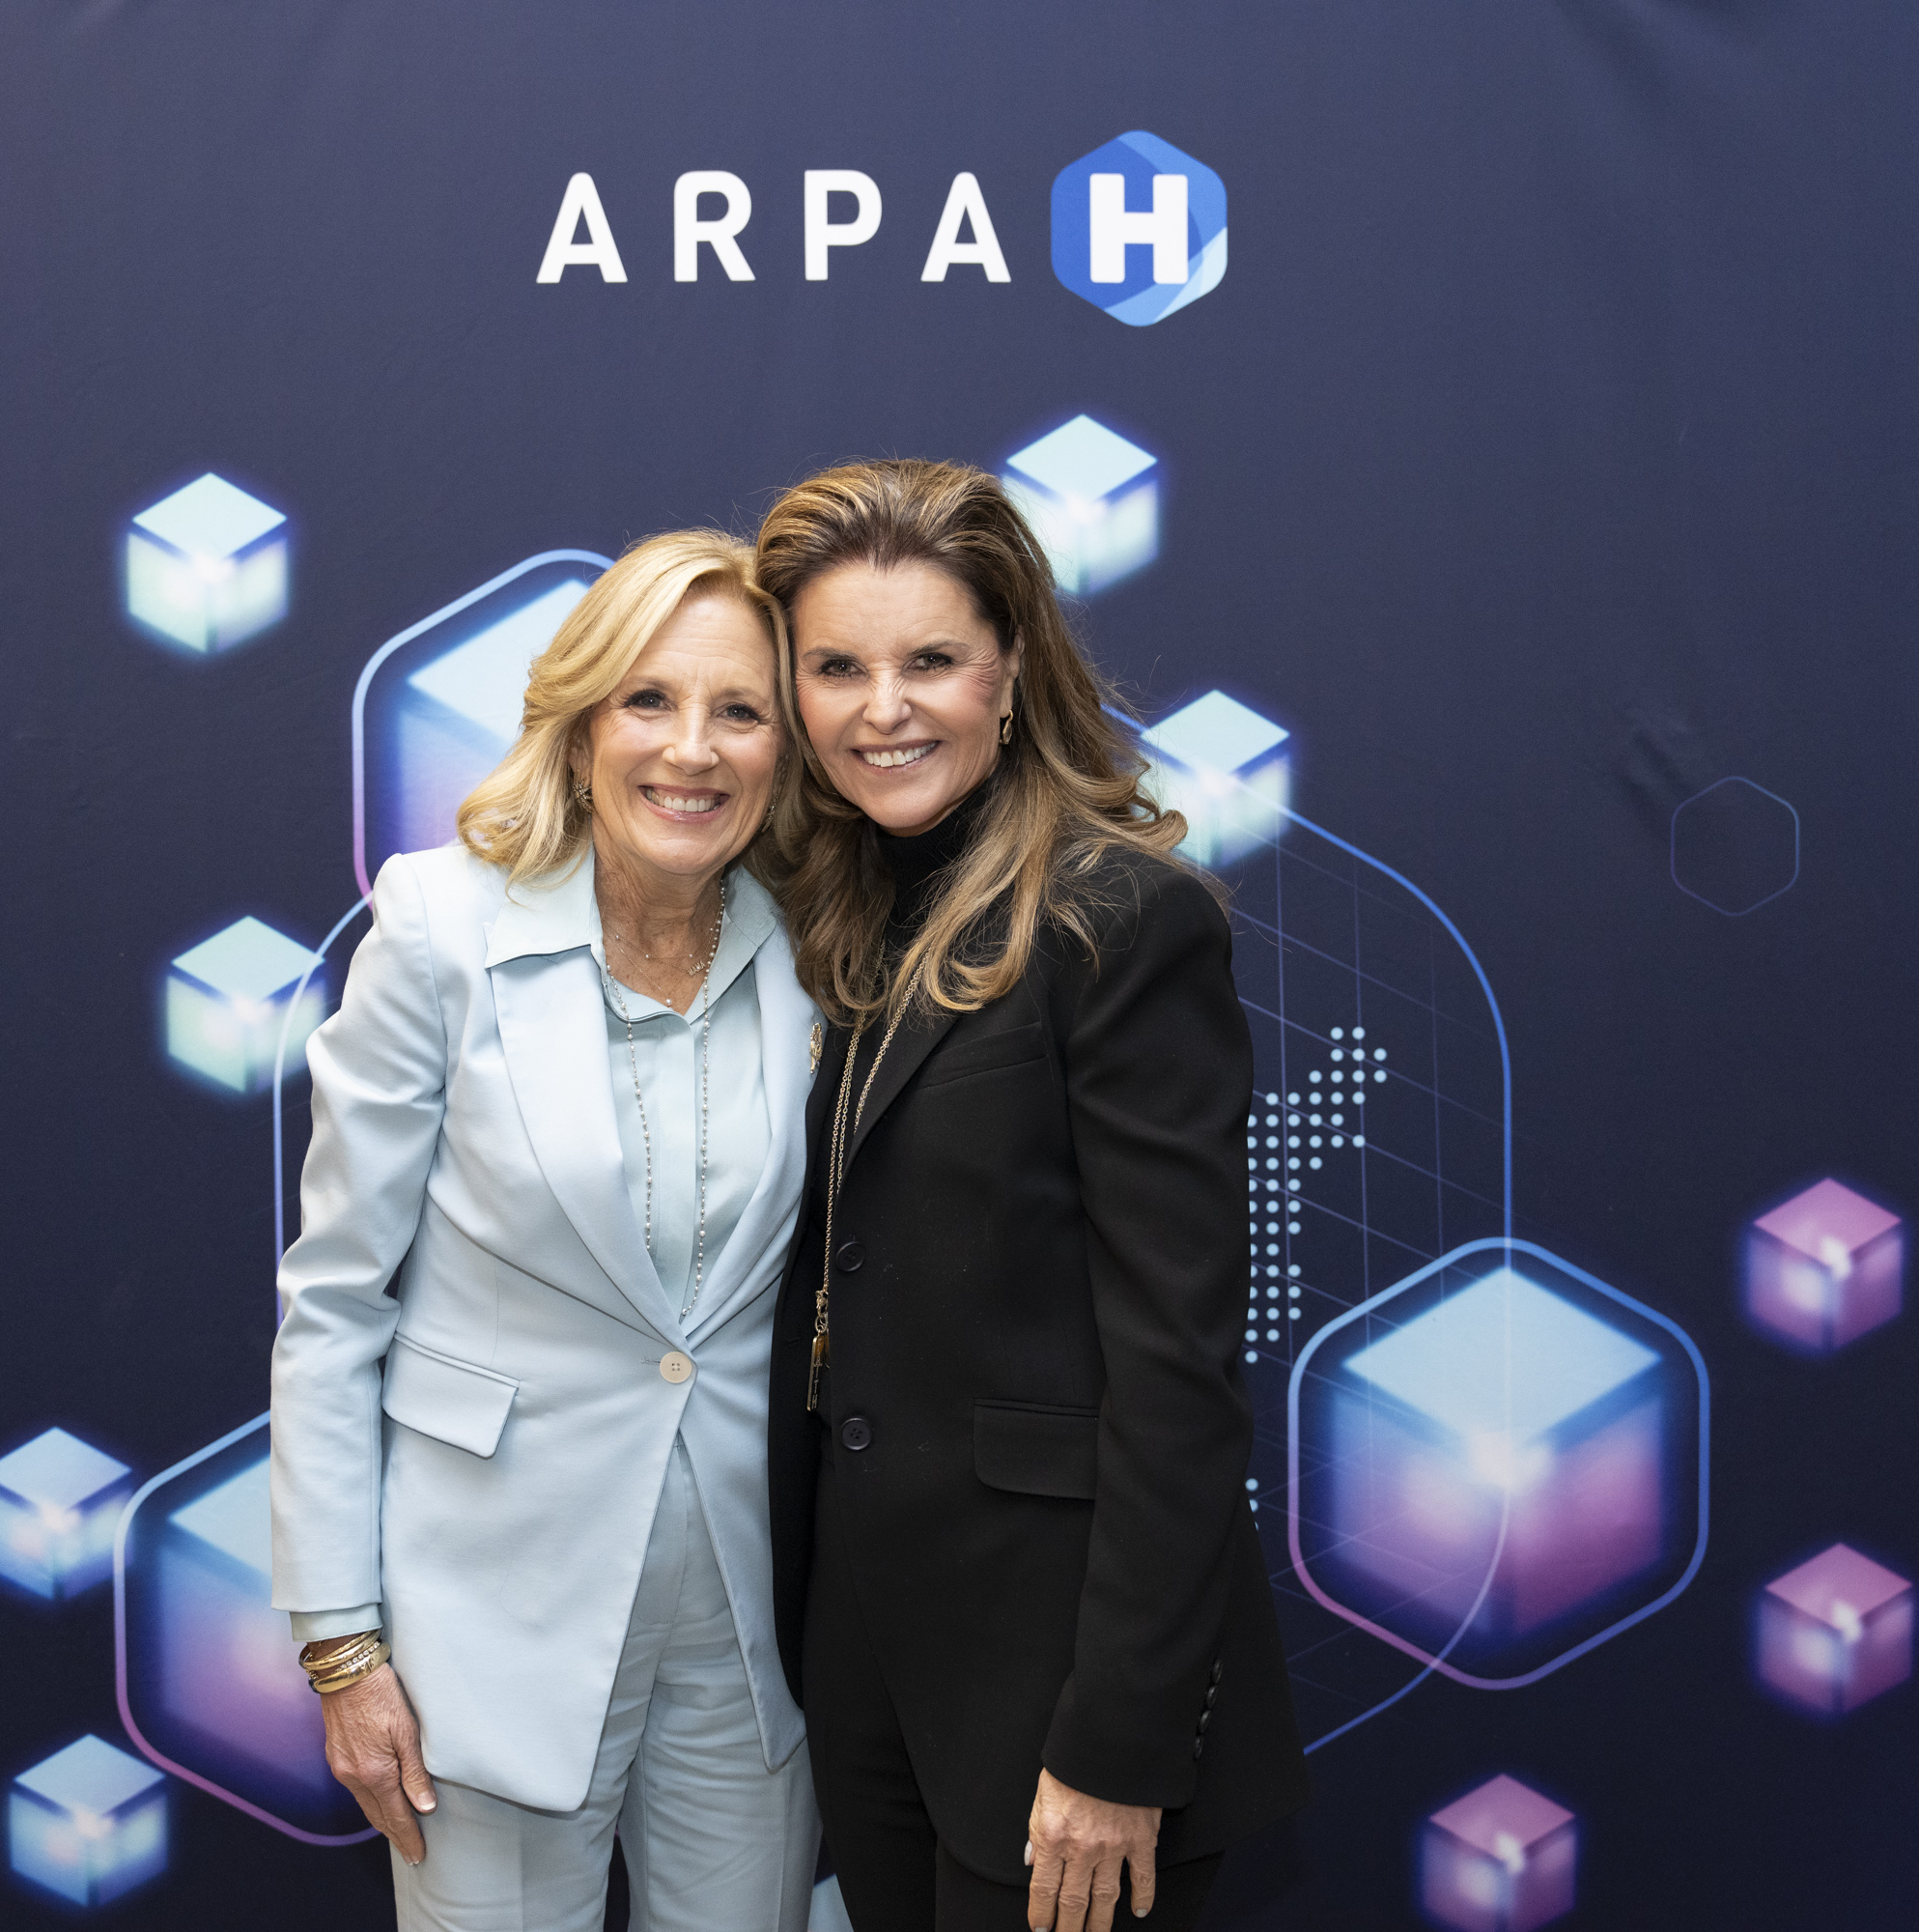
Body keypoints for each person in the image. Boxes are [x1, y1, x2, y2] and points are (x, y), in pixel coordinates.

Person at [755, 462, 1311, 1932]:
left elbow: (1179, 1371)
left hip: (1062, 1682)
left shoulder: (1123, 916)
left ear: (1011, 675)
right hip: (870, 1657)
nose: (886, 707)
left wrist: (1121, 1739)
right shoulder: (839, 912)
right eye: (838, 668)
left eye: (931, 660)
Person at [269, 529, 824, 1932]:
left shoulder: (823, 949)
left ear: (787, 751)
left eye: (740, 710)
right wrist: (342, 1645)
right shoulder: (438, 925)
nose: (690, 750)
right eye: (648, 699)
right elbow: (336, 1302)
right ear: (579, 726)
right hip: (485, 1625)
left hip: (760, 1634)